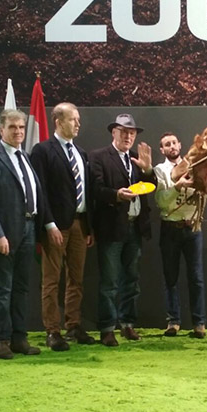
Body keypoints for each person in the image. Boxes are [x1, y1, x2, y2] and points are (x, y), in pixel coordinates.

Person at [0, 109, 47, 359]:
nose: (18, 131)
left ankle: (19, 339)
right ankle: (2, 341)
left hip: (29, 228)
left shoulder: (24, 156)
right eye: (12, 127)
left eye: (21, 127)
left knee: (21, 288)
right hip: (5, 233)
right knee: (3, 289)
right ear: (1, 130)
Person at [30, 102, 96, 351]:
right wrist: (49, 224)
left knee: (76, 279)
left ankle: (74, 326)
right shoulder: (42, 151)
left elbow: (87, 191)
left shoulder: (81, 153)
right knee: (51, 280)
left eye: (78, 119)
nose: (78, 123)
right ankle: (52, 331)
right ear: (58, 122)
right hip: (56, 226)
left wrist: (88, 227)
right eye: (72, 119)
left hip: (80, 223)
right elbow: (40, 191)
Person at [89, 113, 156, 347]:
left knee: (132, 280)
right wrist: (116, 195)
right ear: (113, 132)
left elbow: (152, 185)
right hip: (111, 228)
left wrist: (148, 170)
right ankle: (107, 328)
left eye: (132, 133)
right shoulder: (98, 157)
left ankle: (127, 323)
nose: (128, 136)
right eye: (124, 132)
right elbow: (96, 189)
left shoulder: (137, 158)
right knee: (109, 281)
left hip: (135, 227)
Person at [153, 132, 207, 339]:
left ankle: (199, 323)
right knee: (170, 277)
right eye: (167, 144)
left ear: (180, 145)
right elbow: (161, 201)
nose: (172, 146)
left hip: (193, 228)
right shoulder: (160, 170)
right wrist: (177, 187)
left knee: (197, 278)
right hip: (170, 228)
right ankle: (173, 321)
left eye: (174, 143)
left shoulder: (195, 167)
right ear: (162, 150)